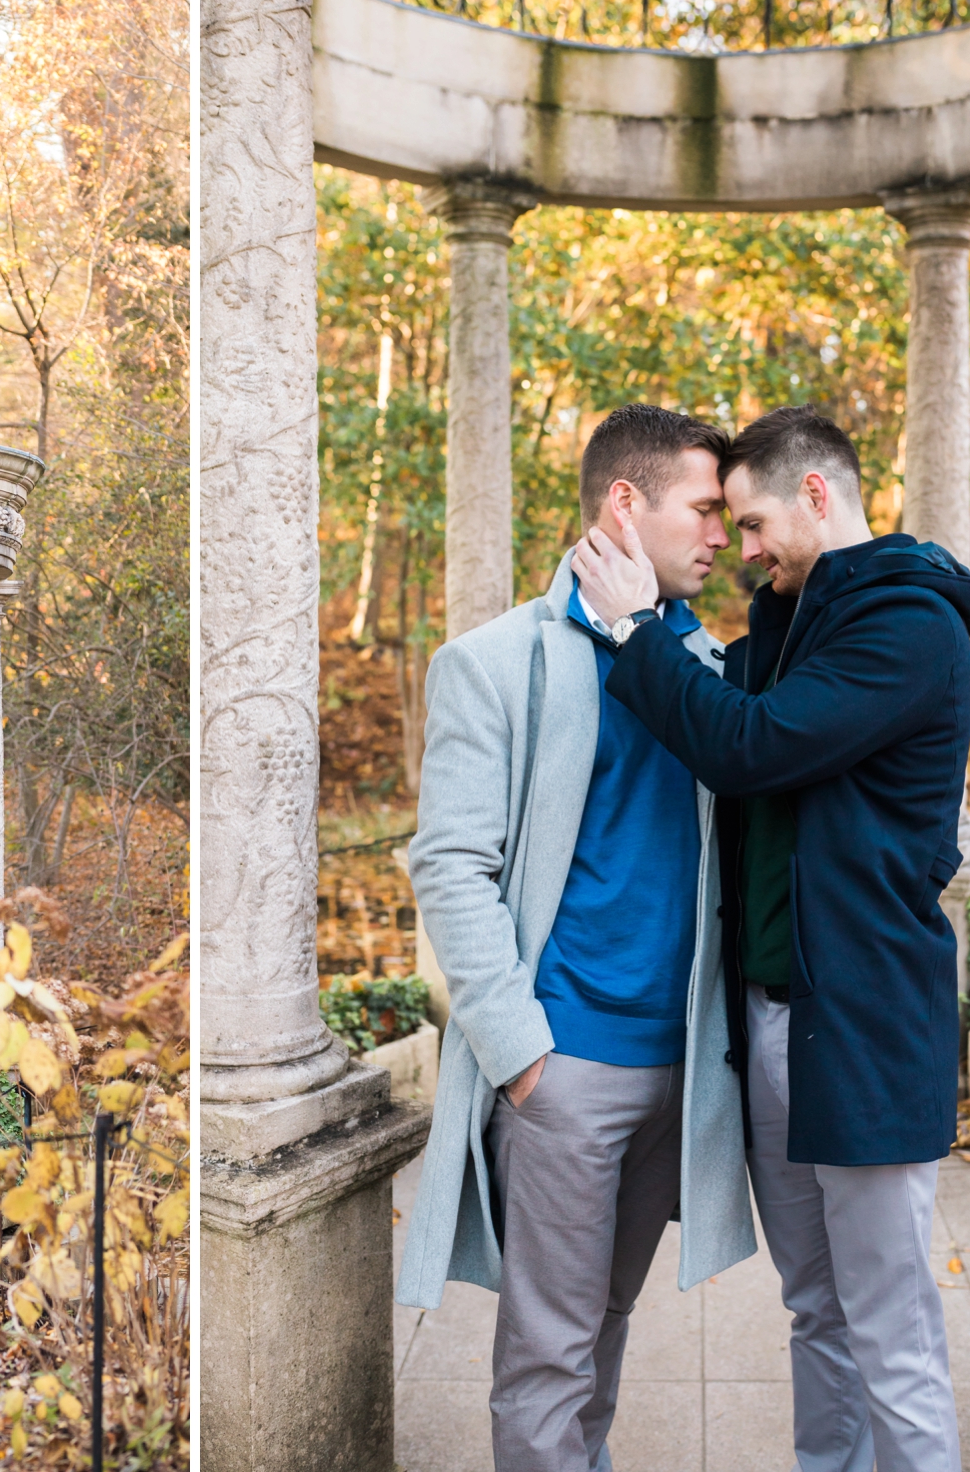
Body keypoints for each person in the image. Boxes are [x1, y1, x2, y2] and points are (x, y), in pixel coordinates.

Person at [573, 403, 970, 1472]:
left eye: (752, 525)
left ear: (816, 493)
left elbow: (746, 747)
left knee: (890, 1331)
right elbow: (719, 709)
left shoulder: (907, 624)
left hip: (863, 1027)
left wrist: (628, 629)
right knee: (814, 1306)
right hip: (767, 1022)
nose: (741, 551)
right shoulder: (784, 623)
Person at [396, 404, 757, 1471]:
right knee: (547, 1353)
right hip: (563, 1073)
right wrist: (521, 1059)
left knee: (603, 1331)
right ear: (623, 503)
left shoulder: (705, 667)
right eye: (700, 509)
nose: (718, 537)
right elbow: (449, 865)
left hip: (678, 1075)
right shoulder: (492, 661)